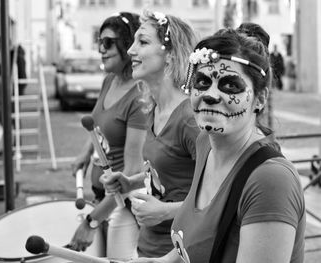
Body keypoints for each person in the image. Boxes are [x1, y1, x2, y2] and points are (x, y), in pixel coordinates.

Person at [133, 26, 306, 263]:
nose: (211, 95)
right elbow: (196, 240)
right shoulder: (206, 143)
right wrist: (160, 261)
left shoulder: (270, 180)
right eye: (202, 82)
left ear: (260, 98)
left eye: (231, 85)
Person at [100, 10, 203, 258]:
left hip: (181, 252)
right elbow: (166, 172)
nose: (130, 51)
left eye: (142, 42)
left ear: (170, 55)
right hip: (148, 246)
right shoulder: (153, 108)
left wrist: (166, 212)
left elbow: (220, 195)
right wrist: (131, 181)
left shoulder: (190, 119)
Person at [69, 12, 148, 260]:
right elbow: (99, 126)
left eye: (108, 43)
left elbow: (130, 170)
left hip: (120, 204)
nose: (101, 50)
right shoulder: (109, 81)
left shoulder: (139, 97)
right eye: (99, 42)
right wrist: (85, 152)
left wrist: (91, 221)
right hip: (101, 197)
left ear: (127, 44)